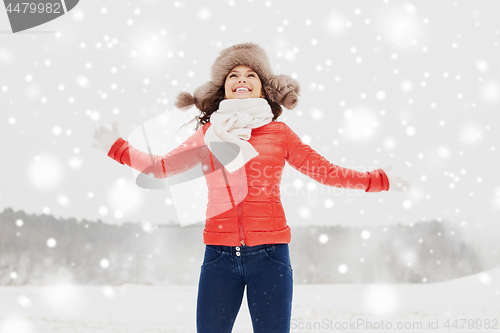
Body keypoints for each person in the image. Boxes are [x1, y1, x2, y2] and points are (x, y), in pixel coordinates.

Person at [92, 42, 410, 333]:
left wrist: (377, 179)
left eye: (250, 74)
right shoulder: (207, 135)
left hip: (270, 258)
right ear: (224, 89)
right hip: (218, 258)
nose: (241, 78)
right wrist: (118, 148)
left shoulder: (279, 133)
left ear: (262, 86)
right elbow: (163, 168)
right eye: (233, 74)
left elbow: (324, 172)